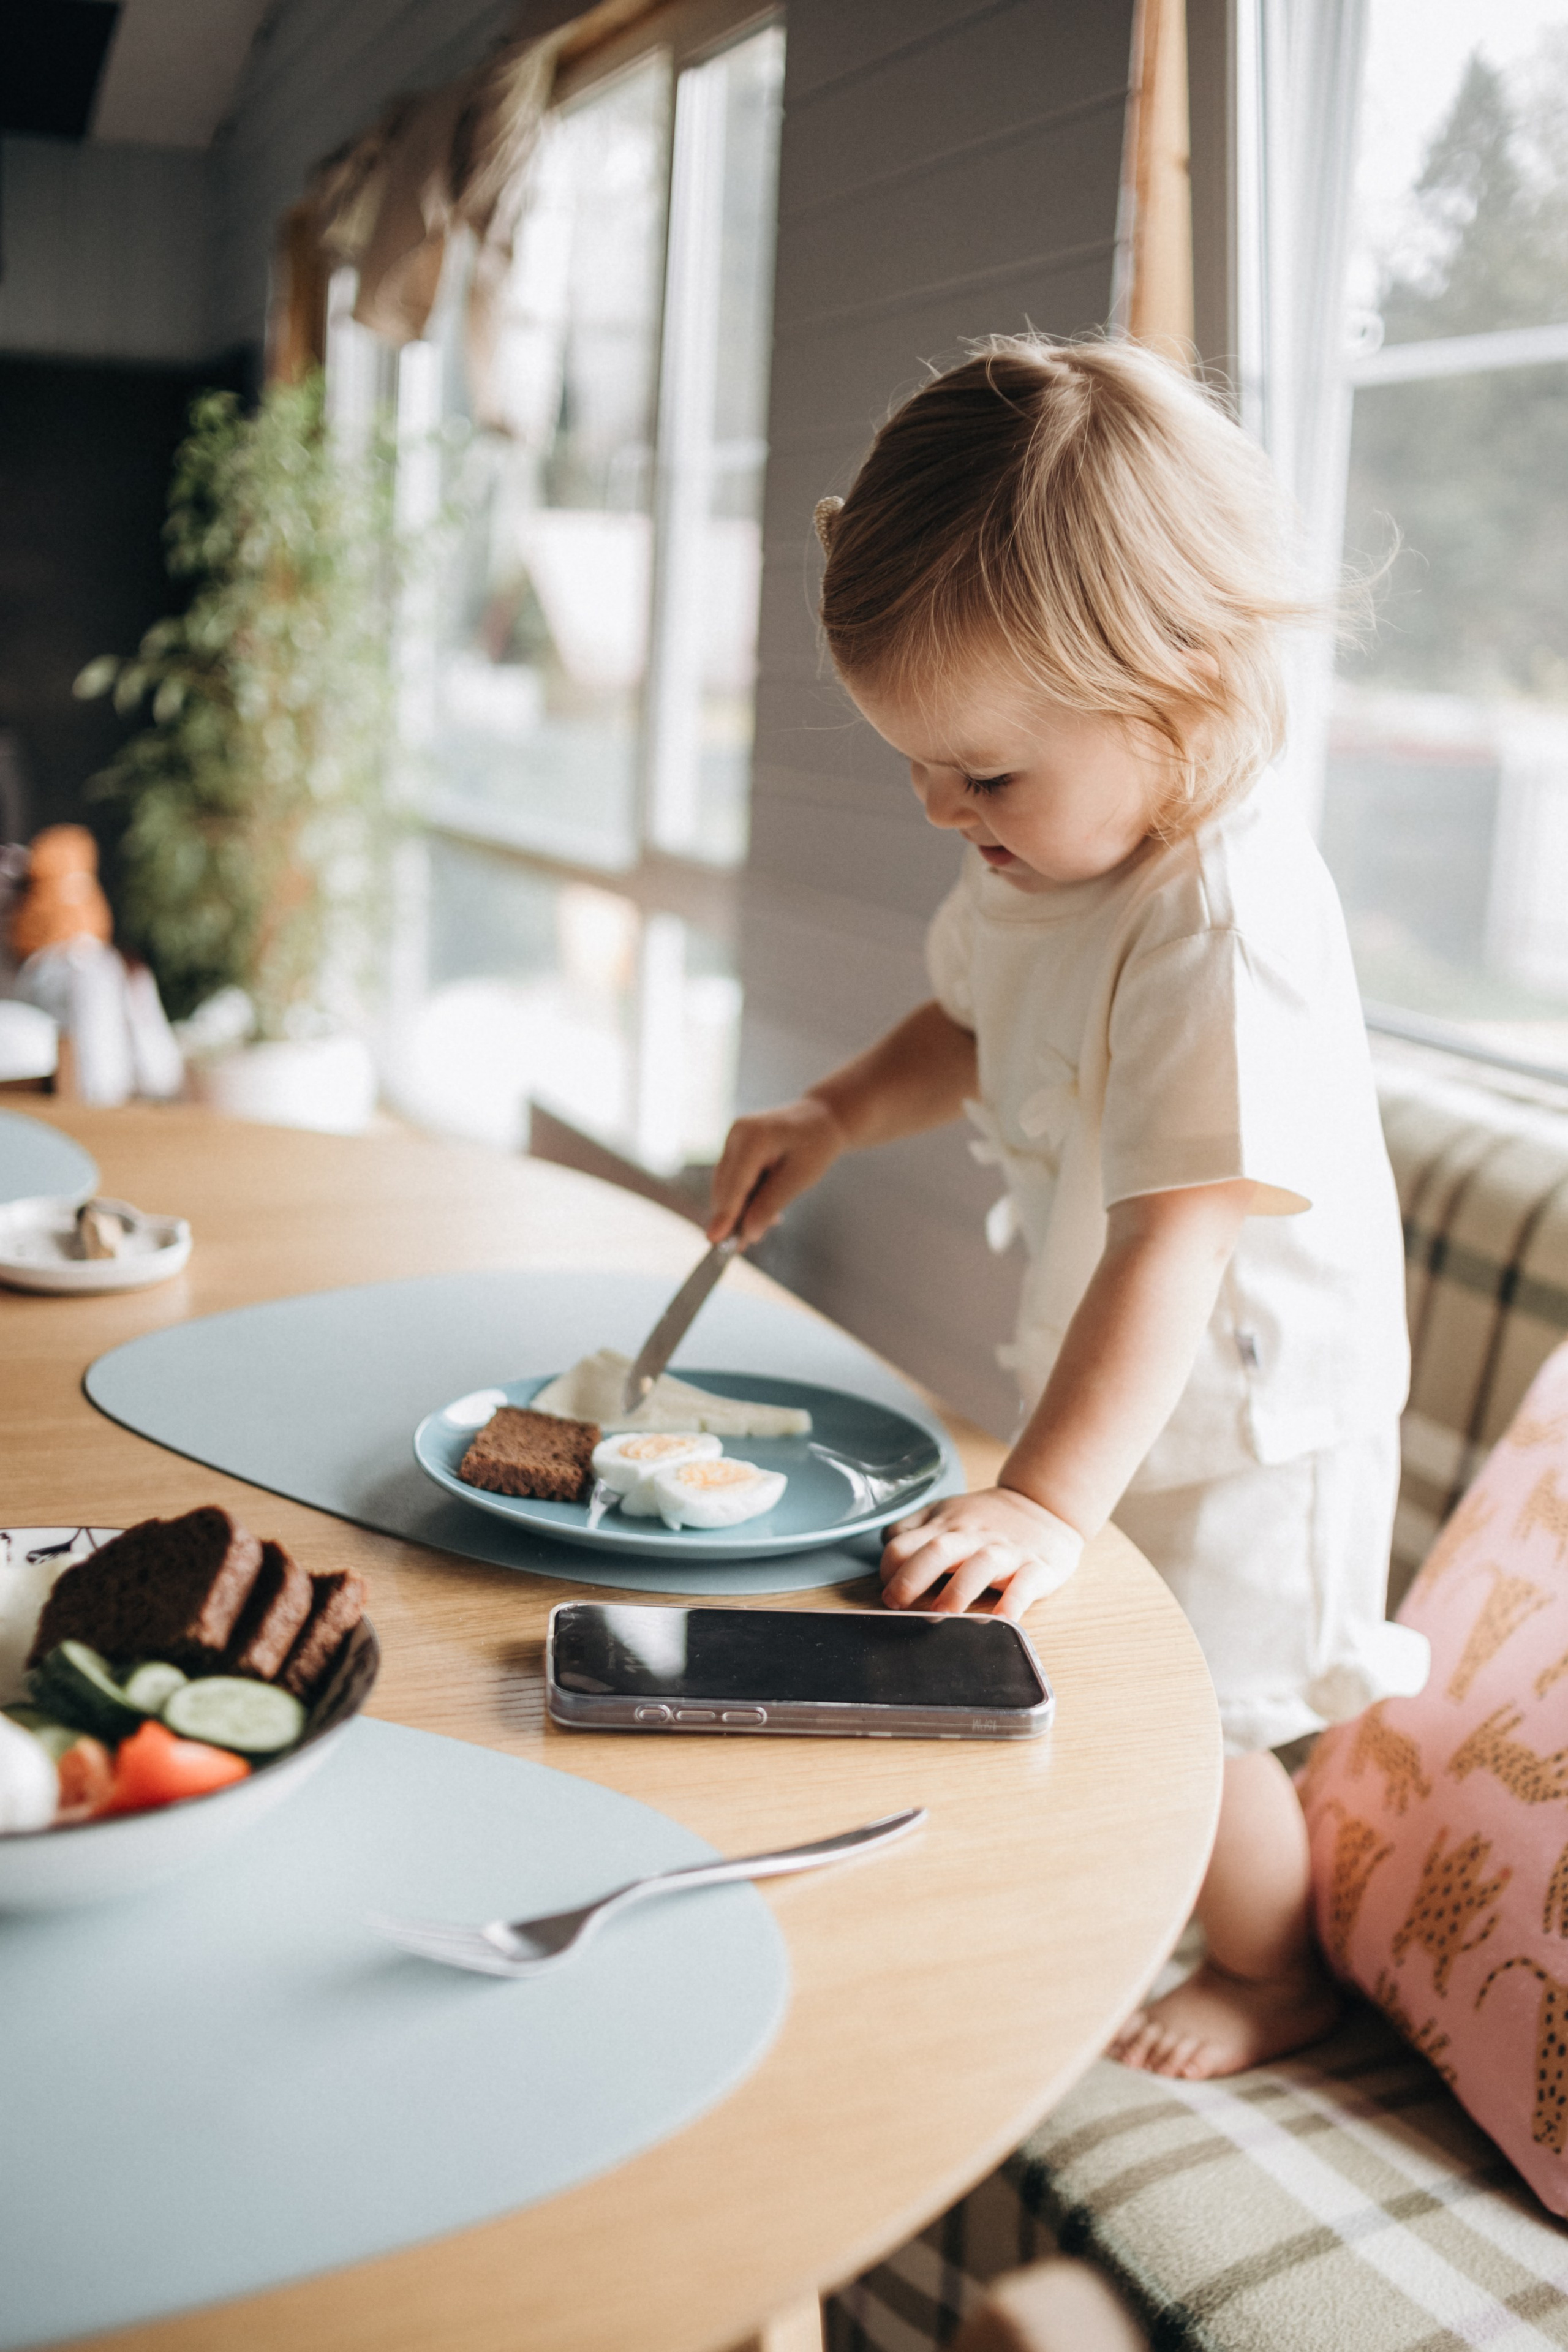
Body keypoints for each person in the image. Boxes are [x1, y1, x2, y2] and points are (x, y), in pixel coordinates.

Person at [706, 337, 1429, 2080]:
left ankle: (1274, 1975)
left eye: (983, 775)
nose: (941, 810)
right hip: (1124, 1377)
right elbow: (965, 1021)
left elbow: (1182, 1235)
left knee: (1211, 1721)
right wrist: (833, 1110)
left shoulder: (1223, 919)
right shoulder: (1041, 857)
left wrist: (1042, 1499)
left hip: (1251, 1423)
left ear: (1180, 697)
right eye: (920, 767)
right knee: (1095, 1653)